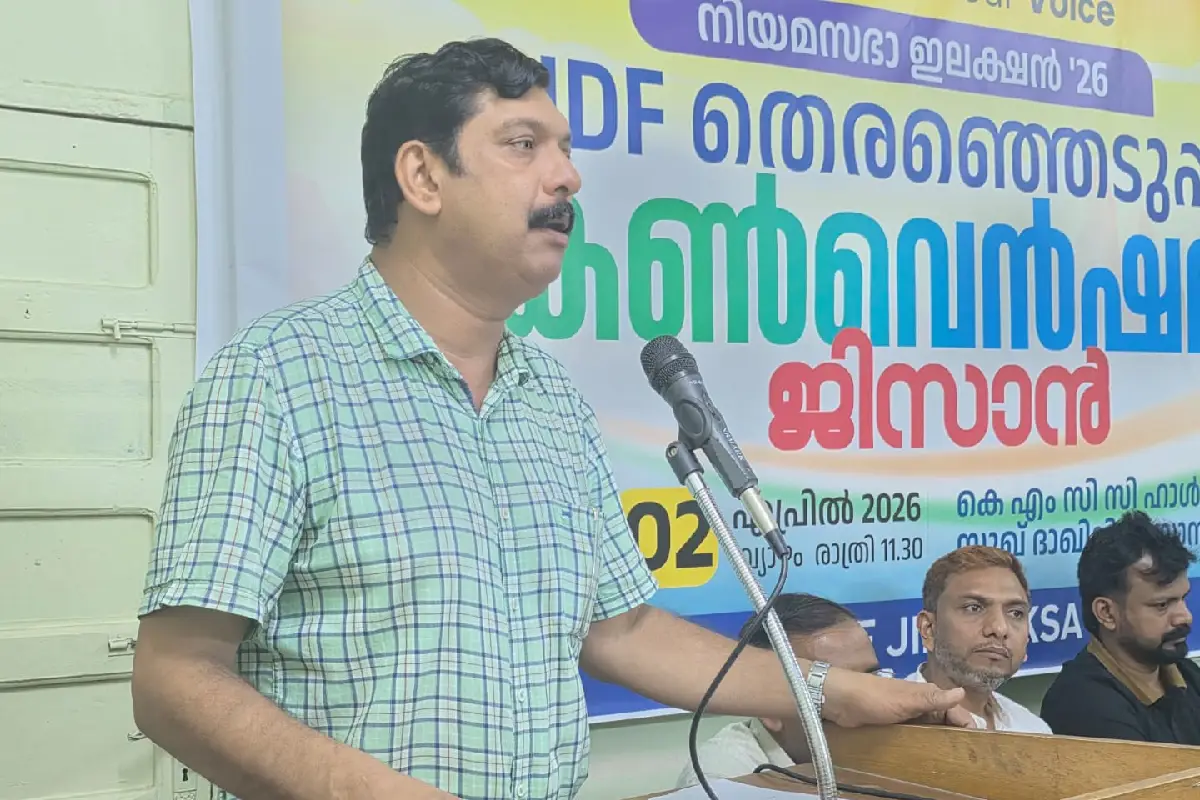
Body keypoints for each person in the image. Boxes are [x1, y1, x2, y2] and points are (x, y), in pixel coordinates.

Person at [129, 37, 971, 800]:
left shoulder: (551, 399)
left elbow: (622, 630)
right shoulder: (278, 377)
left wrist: (829, 691)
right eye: (523, 145)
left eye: (564, 149)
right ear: (423, 177)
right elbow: (174, 680)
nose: (567, 177)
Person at [675, 594, 886, 788]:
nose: (870, 705)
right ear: (768, 709)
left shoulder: (886, 747)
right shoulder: (723, 778)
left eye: (872, 678)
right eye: (838, 691)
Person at [1040, 511, 1200, 744]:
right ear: (1106, 613)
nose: (1185, 617)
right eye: (1162, 605)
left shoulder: (1188, 675)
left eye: (1183, 598)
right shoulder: (1082, 703)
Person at [906, 546, 1051, 733]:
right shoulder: (889, 730)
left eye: (1016, 613)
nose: (999, 628)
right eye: (973, 608)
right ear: (929, 628)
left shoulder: (1034, 730)